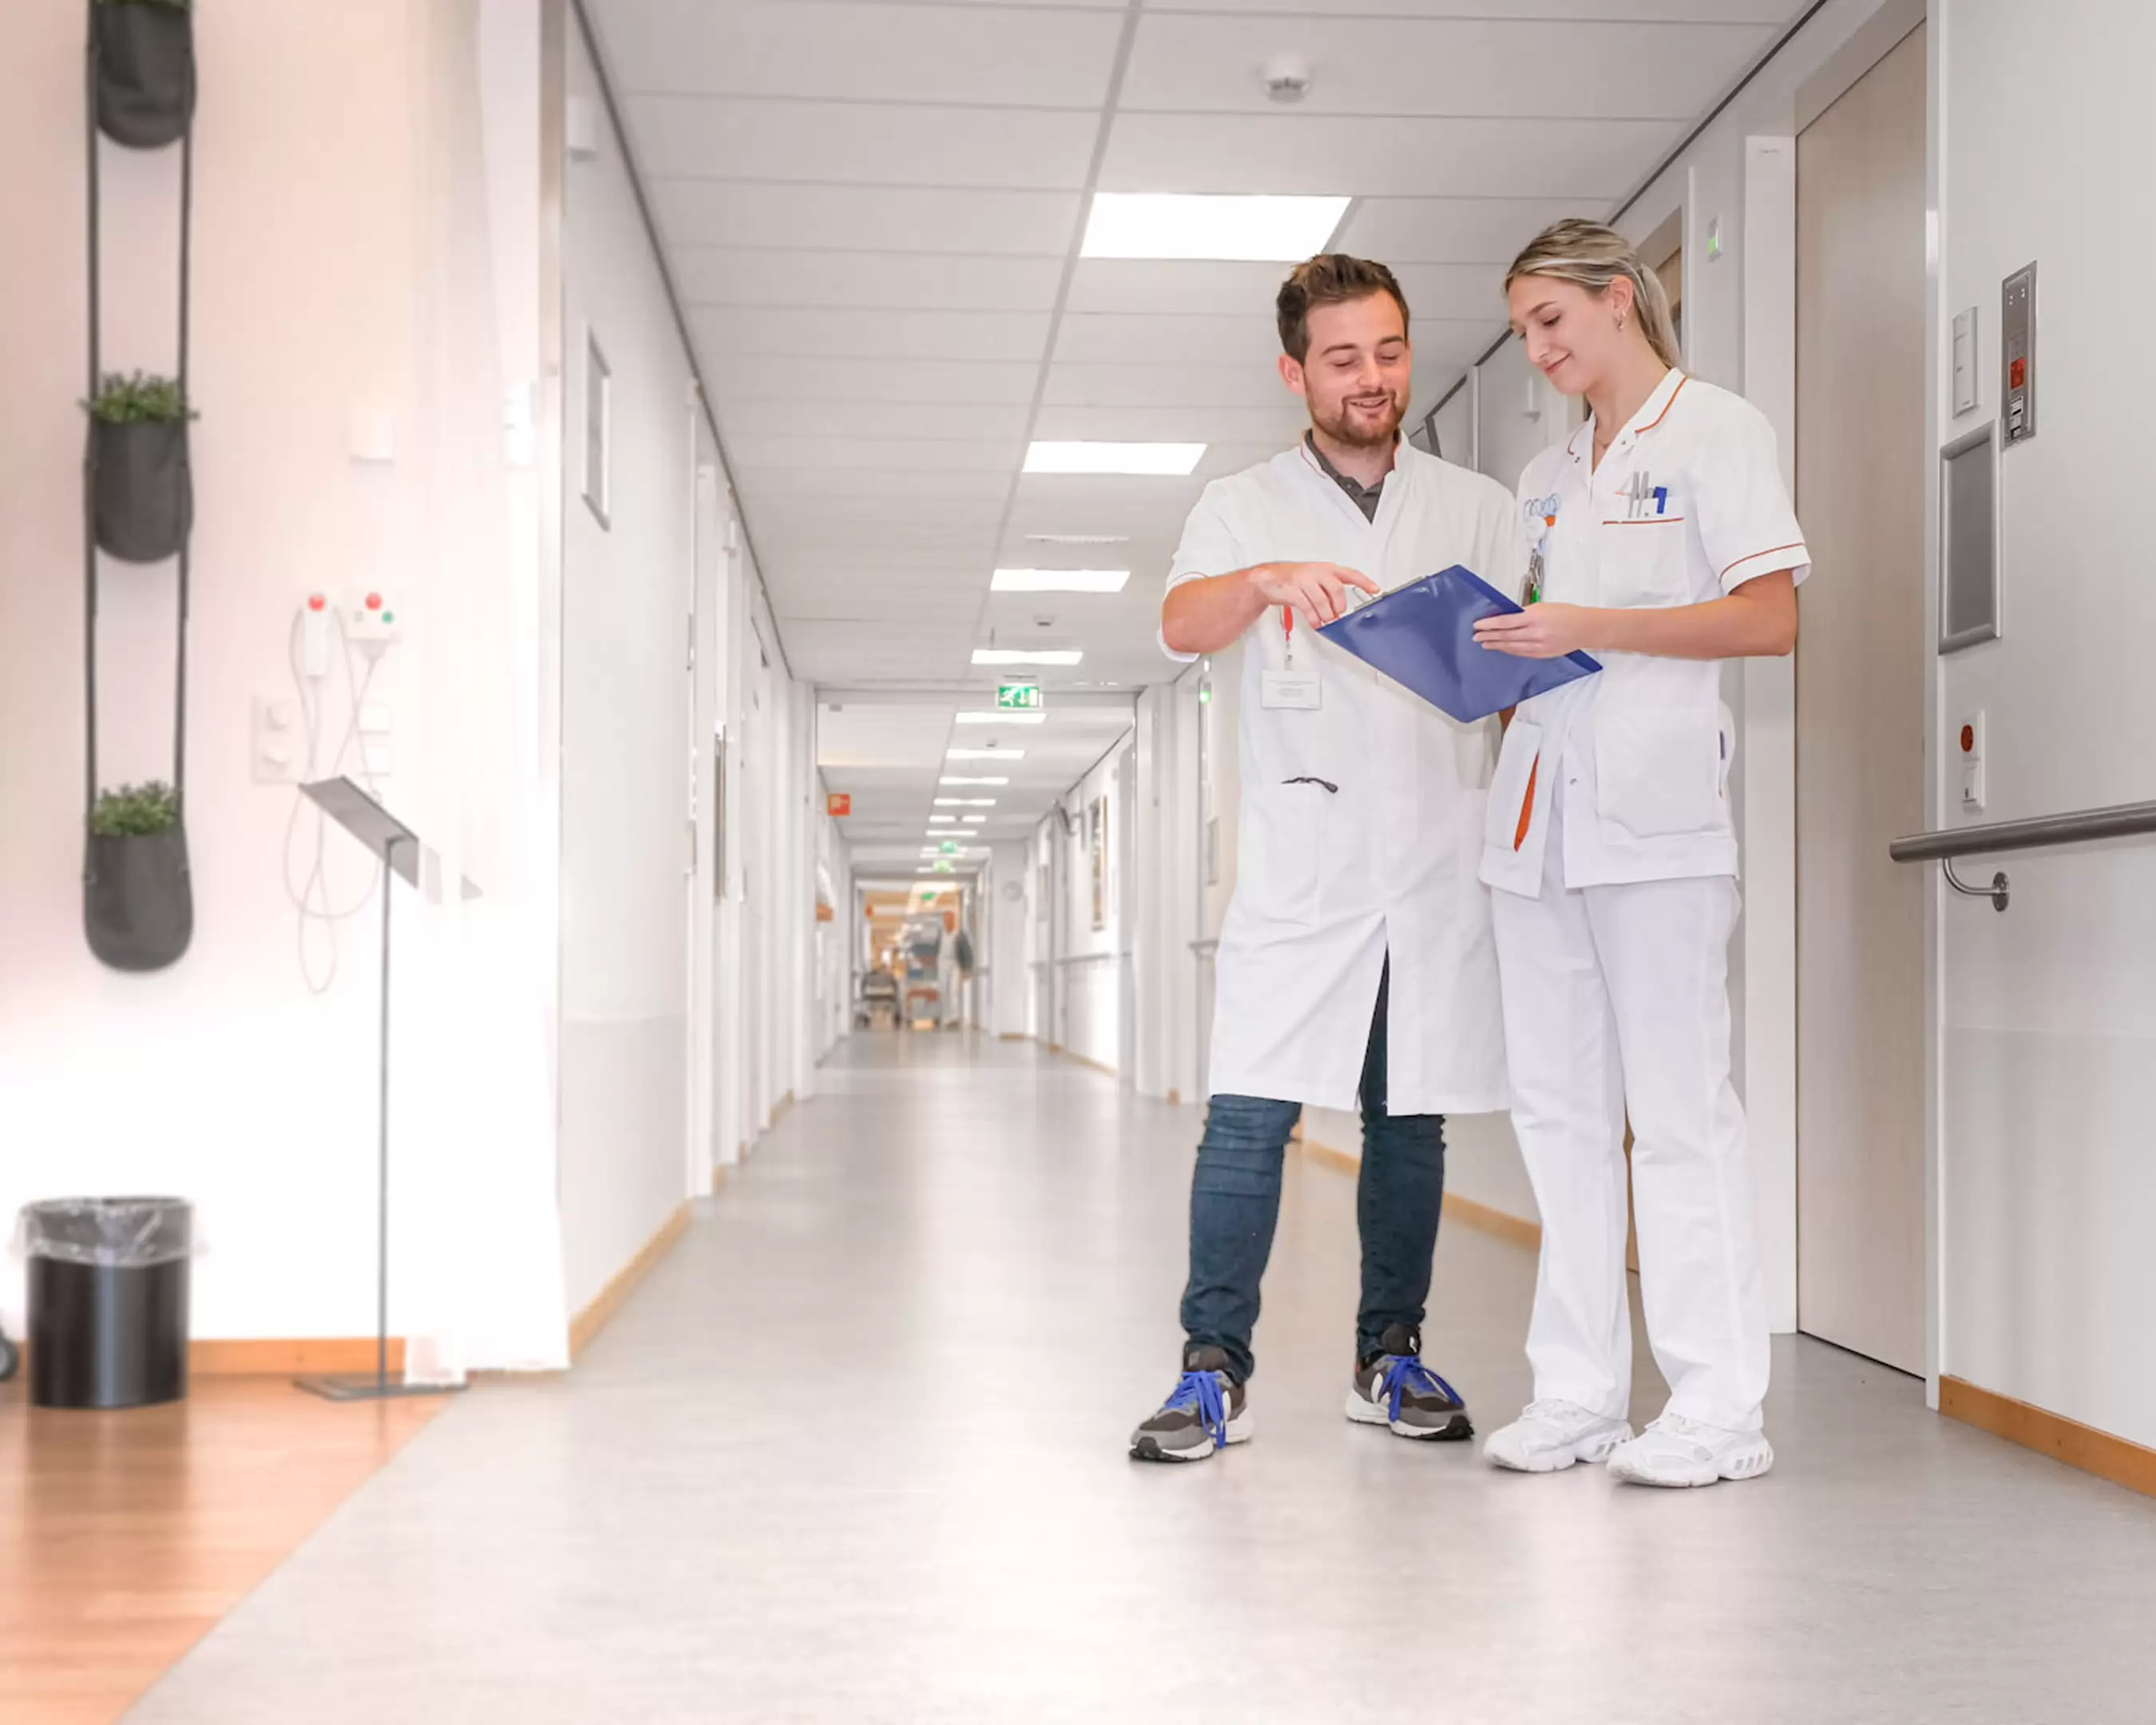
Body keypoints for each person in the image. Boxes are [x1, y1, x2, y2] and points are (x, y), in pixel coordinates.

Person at [1130, 255, 1522, 1462]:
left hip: (1432, 861)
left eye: (1390, 352)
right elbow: (1180, 625)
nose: (1371, 379)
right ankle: (1211, 1371)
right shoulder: (1242, 503)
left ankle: (1388, 1356)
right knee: (1248, 1117)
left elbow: (1520, 671)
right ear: (1295, 369)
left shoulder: (1477, 506)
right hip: (1305, 869)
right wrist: (1262, 583)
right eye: (1343, 359)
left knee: (1409, 1121)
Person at [1472, 218, 1807, 1487]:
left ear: (1620, 301)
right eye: (1521, 333)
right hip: (1539, 819)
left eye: (1550, 321)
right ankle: (1579, 1396)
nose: (1538, 348)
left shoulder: (1716, 428)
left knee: (1678, 1119)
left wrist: (1589, 623)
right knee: (1558, 1119)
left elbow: (1768, 618)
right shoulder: (1544, 479)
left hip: (1659, 825)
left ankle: (1720, 1411)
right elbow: (1535, 640)